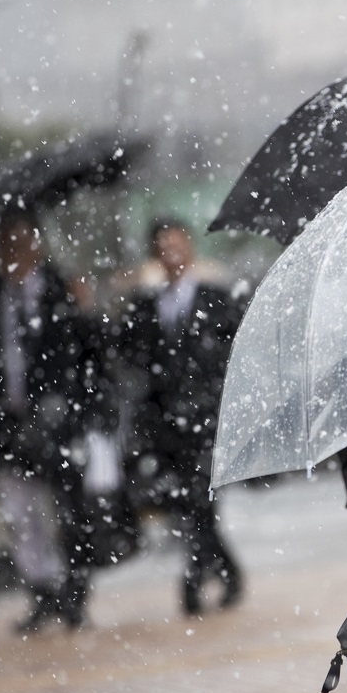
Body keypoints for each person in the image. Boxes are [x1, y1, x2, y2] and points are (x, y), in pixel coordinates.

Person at [0, 206, 104, 634]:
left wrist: (87, 310)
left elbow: (93, 353)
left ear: (38, 244)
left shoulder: (63, 289)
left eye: (23, 241)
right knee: (22, 517)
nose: (15, 251)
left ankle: (74, 593)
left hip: (60, 421)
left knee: (70, 511)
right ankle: (41, 592)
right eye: (7, 242)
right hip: (7, 426)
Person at [117, 218, 245, 615]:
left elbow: (231, 355)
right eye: (163, 247)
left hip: (207, 421)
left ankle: (193, 581)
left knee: (198, 499)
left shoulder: (216, 297)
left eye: (178, 244)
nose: (172, 253)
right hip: (166, 425)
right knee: (190, 504)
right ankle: (226, 570)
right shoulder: (145, 304)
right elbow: (126, 353)